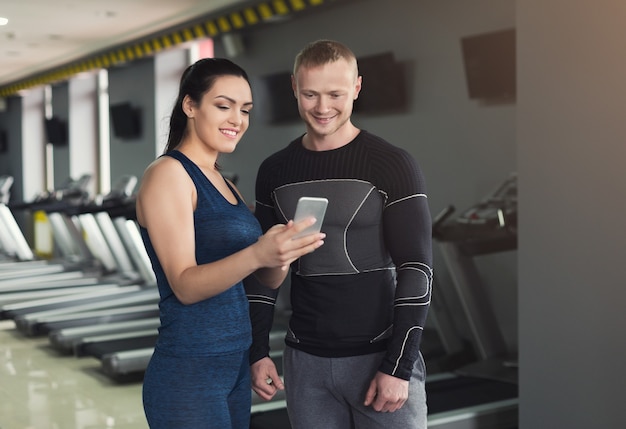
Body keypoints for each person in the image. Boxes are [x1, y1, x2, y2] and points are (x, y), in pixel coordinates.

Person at [246, 40, 433, 429]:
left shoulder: (393, 164)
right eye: (311, 94)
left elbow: (417, 269)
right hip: (305, 361)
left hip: (380, 359)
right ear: (295, 88)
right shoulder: (274, 171)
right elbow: (262, 273)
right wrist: (257, 351)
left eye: (336, 94)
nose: (322, 107)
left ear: (357, 88)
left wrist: (398, 366)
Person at [135, 57, 325, 429]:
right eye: (223, 106)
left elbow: (261, 280)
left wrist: (280, 253)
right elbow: (185, 286)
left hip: (235, 363)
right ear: (190, 105)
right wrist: (257, 252)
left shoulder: (225, 182)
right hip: (190, 369)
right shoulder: (168, 174)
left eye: (245, 109)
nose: (237, 119)